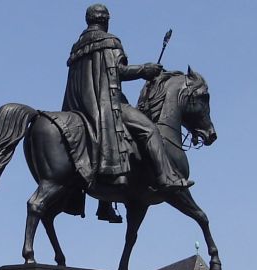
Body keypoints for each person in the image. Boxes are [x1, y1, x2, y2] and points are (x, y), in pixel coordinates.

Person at [63, 3, 194, 223]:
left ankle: (104, 204)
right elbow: (119, 71)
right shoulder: (110, 41)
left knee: (104, 142)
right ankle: (166, 178)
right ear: (105, 20)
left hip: (79, 108)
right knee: (149, 129)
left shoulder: (76, 48)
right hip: (105, 104)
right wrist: (146, 70)